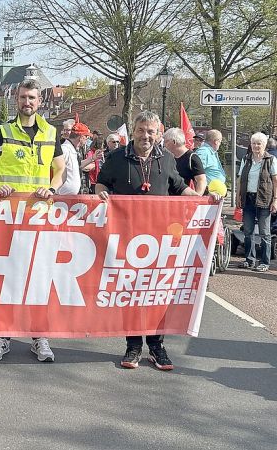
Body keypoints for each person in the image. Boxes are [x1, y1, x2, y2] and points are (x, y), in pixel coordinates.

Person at [94, 111, 204, 371]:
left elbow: (178, 187)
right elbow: (100, 185)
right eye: (142, 130)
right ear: (134, 131)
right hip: (127, 238)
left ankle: (157, 345)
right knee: (130, 292)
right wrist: (102, 196)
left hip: (159, 239)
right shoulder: (116, 158)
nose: (146, 136)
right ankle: (133, 345)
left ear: (158, 133)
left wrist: (203, 200)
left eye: (151, 131)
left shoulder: (166, 158)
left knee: (157, 293)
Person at [0, 79, 65, 363]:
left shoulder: (51, 133)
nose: (28, 102)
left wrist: (51, 188)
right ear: (17, 99)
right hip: (8, 218)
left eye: (33, 98)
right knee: (7, 277)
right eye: (24, 97)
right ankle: (2, 335)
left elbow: (60, 171)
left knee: (39, 276)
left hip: (39, 218)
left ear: (40, 101)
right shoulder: (0, 132)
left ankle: (39, 336)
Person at [235, 132, 277, 272]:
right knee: (248, 230)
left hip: (264, 198)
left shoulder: (271, 160)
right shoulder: (246, 159)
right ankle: (249, 259)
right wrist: (238, 196)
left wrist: (275, 200)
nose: (256, 146)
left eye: (259, 143)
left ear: (264, 145)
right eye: (254, 143)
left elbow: (275, 181)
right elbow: (240, 179)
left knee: (264, 231)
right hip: (248, 197)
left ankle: (265, 262)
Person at [59, 121, 91, 195]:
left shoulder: (72, 149)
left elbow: (78, 165)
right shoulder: (65, 149)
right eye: (86, 137)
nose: (87, 139)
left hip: (69, 196)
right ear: (81, 137)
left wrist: (92, 158)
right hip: (62, 196)